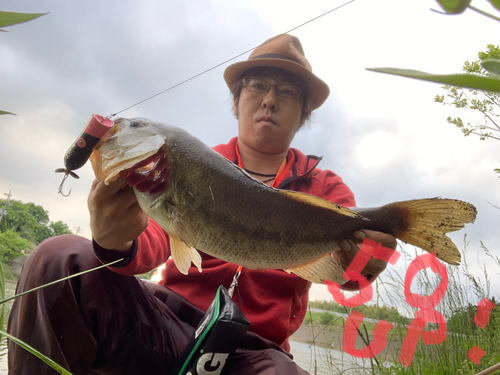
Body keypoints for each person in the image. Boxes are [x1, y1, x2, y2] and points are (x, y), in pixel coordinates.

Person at [7, 34, 397, 375]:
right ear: (237, 100)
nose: (270, 100)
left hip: (257, 352)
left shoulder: (327, 191)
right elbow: (154, 240)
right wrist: (115, 242)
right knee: (57, 256)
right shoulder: (187, 164)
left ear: (304, 114)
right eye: (258, 85)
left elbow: (347, 277)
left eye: (288, 91)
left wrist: (365, 263)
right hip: (167, 323)